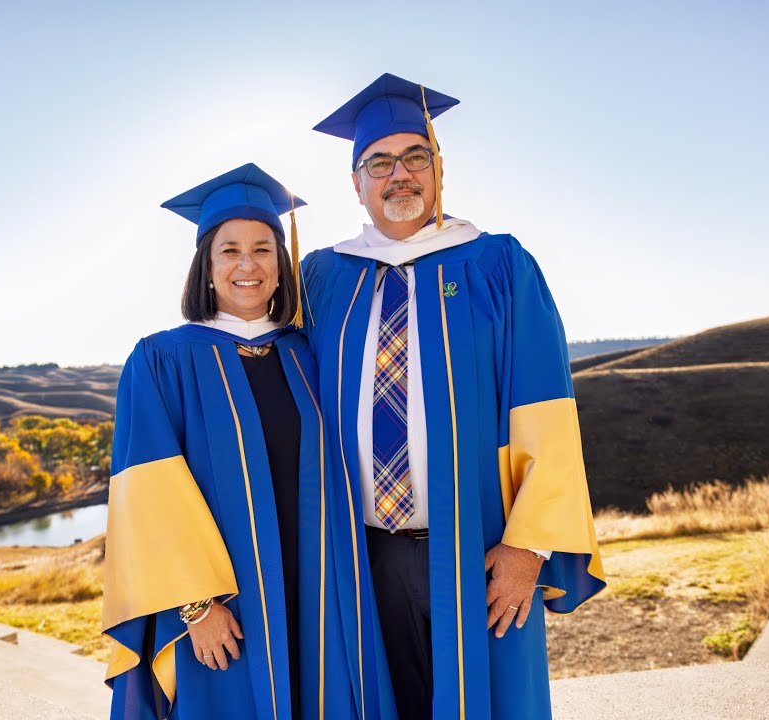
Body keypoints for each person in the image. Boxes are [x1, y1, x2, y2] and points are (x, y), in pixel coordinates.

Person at [298, 73, 607, 720]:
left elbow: (546, 409)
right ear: (356, 182)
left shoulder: (498, 266)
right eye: (379, 162)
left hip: (478, 546)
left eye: (415, 157)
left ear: (440, 167)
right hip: (361, 554)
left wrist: (530, 546)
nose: (399, 174)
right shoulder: (322, 278)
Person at [100, 163, 390, 720]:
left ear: (281, 264)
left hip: (320, 594)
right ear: (206, 268)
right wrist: (195, 606)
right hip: (225, 607)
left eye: (263, 249)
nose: (248, 265)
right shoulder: (162, 361)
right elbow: (147, 498)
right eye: (229, 250)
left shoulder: (307, 354)